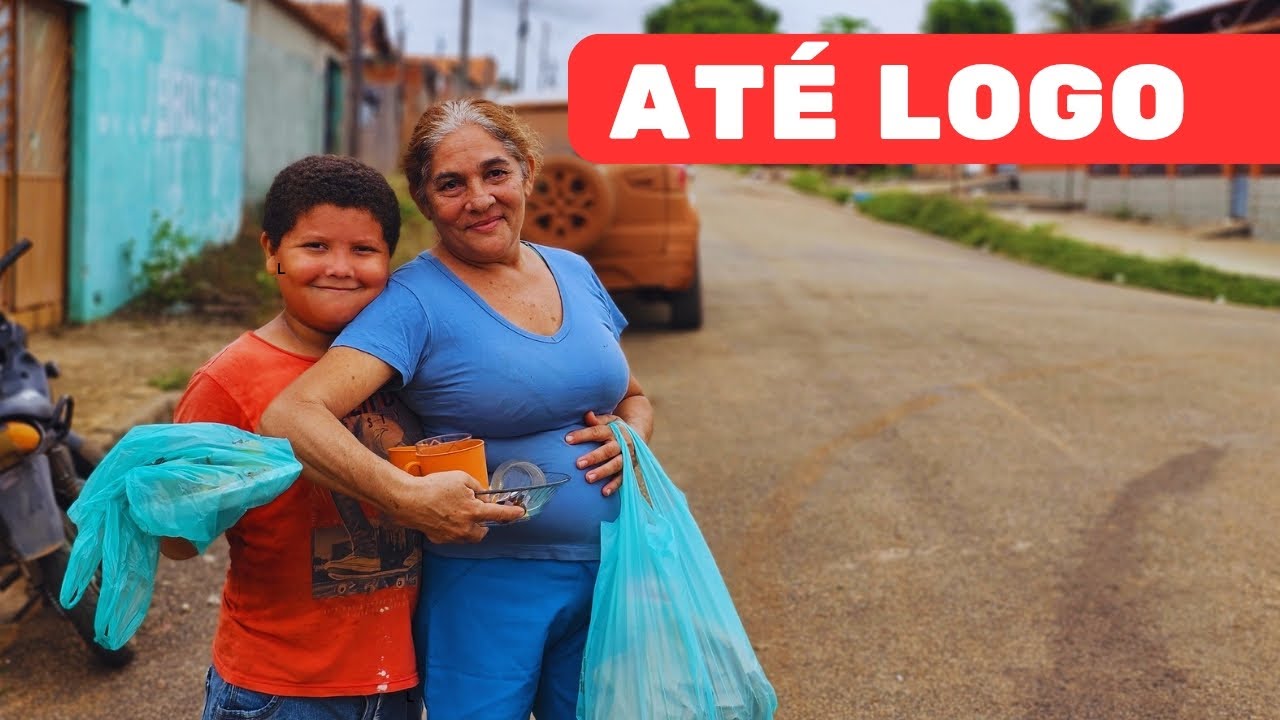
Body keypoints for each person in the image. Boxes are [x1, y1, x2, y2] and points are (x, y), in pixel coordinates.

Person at [258, 98, 655, 720]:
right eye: (451, 184)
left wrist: (634, 438)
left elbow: (629, 392)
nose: (478, 199)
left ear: (527, 170)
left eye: (495, 173)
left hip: (608, 575)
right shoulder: (414, 301)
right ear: (424, 200)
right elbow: (291, 415)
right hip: (485, 588)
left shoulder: (574, 272)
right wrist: (403, 496)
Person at [162, 153, 522, 720]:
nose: (340, 267)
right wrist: (174, 496)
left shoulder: (404, 366)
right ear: (271, 253)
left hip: (398, 685)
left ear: (389, 262)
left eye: (364, 250)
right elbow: (179, 544)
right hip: (279, 691)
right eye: (314, 247)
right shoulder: (228, 382)